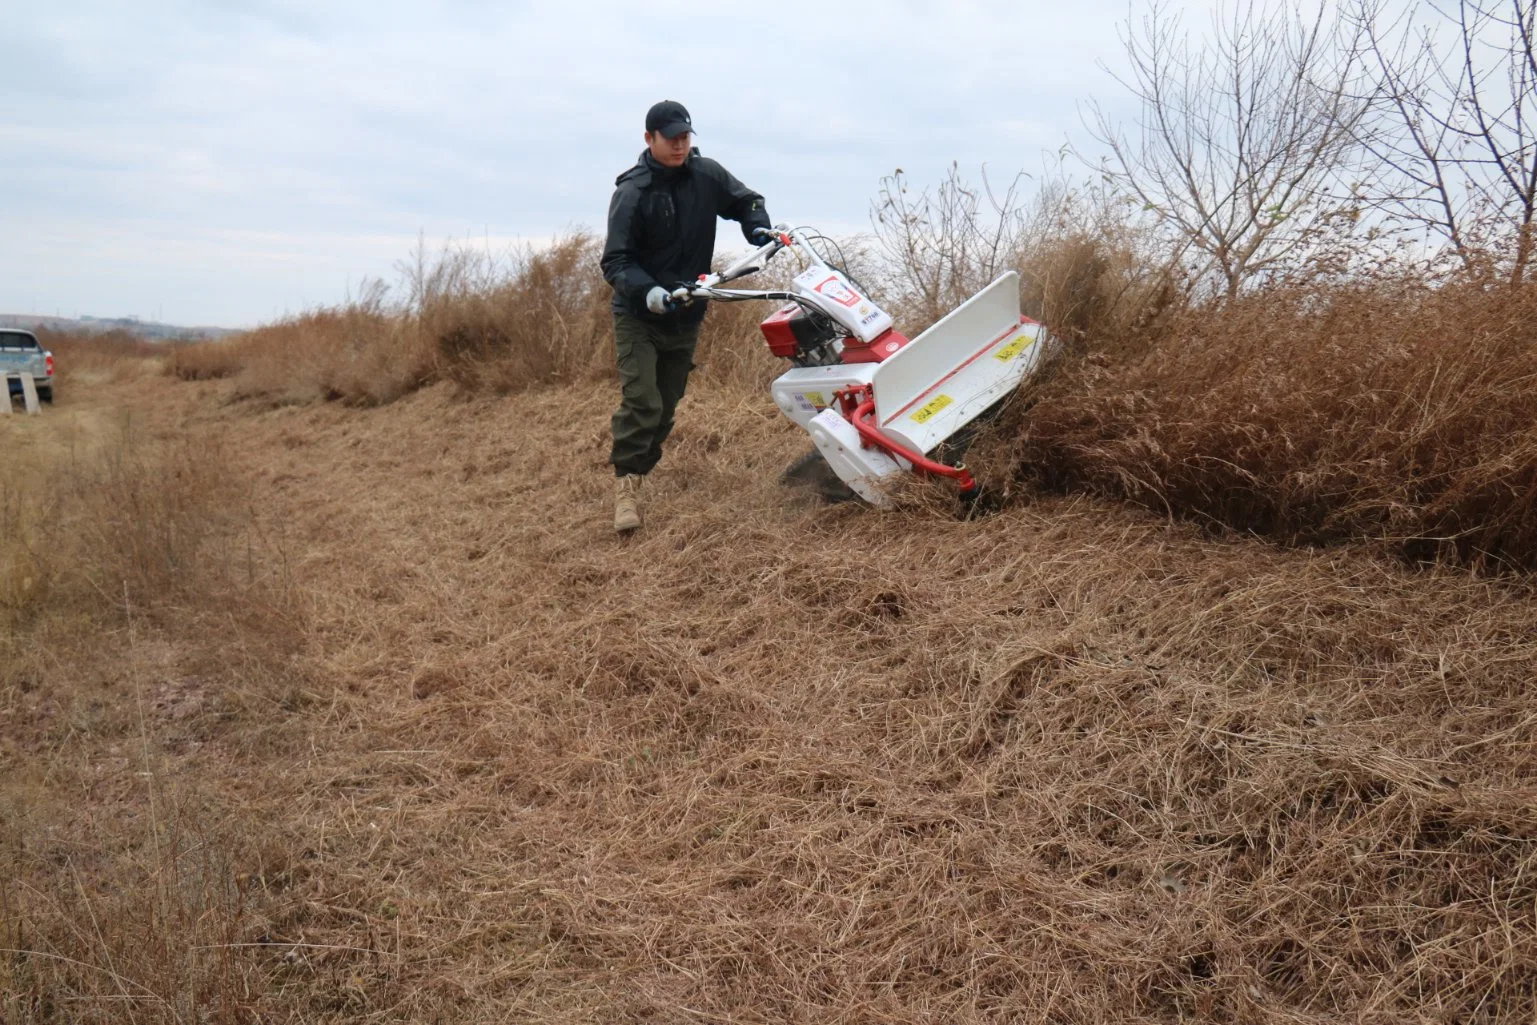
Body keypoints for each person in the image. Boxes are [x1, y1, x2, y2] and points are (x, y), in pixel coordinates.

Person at [600, 99, 774, 533]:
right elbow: (616, 261)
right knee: (643, 401)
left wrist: (759, 227)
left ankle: (640, 470)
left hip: (687, 313)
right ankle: (626, 487)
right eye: (670, 138)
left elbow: (746, 201)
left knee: (666, 407)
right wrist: (650, 292)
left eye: (685, 137)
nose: (680, 145)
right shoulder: (632, 192)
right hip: (640, 315)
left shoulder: (706, 175)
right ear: (649, 139)